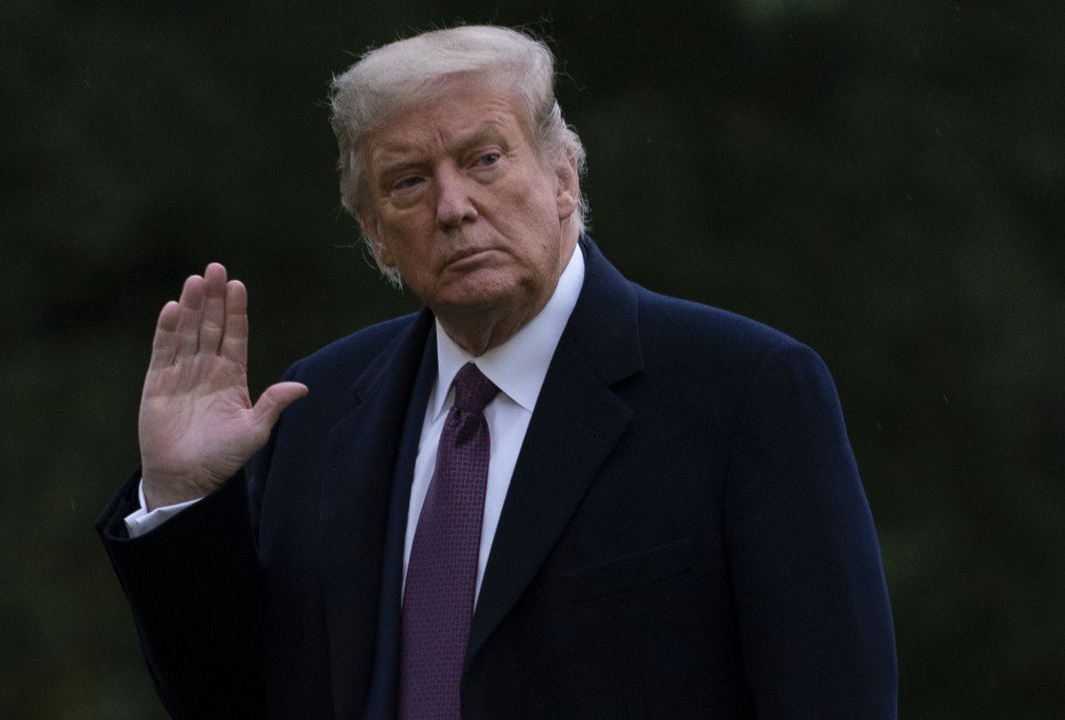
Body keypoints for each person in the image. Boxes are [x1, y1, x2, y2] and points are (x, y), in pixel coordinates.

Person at [97, 25, 897, 720]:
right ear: (375, 235)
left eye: (483, 159)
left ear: (563, 178)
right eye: (408, 182)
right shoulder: (314, 409)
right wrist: (184, 500)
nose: (452, 207)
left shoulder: (741, 391)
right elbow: (235, 703)